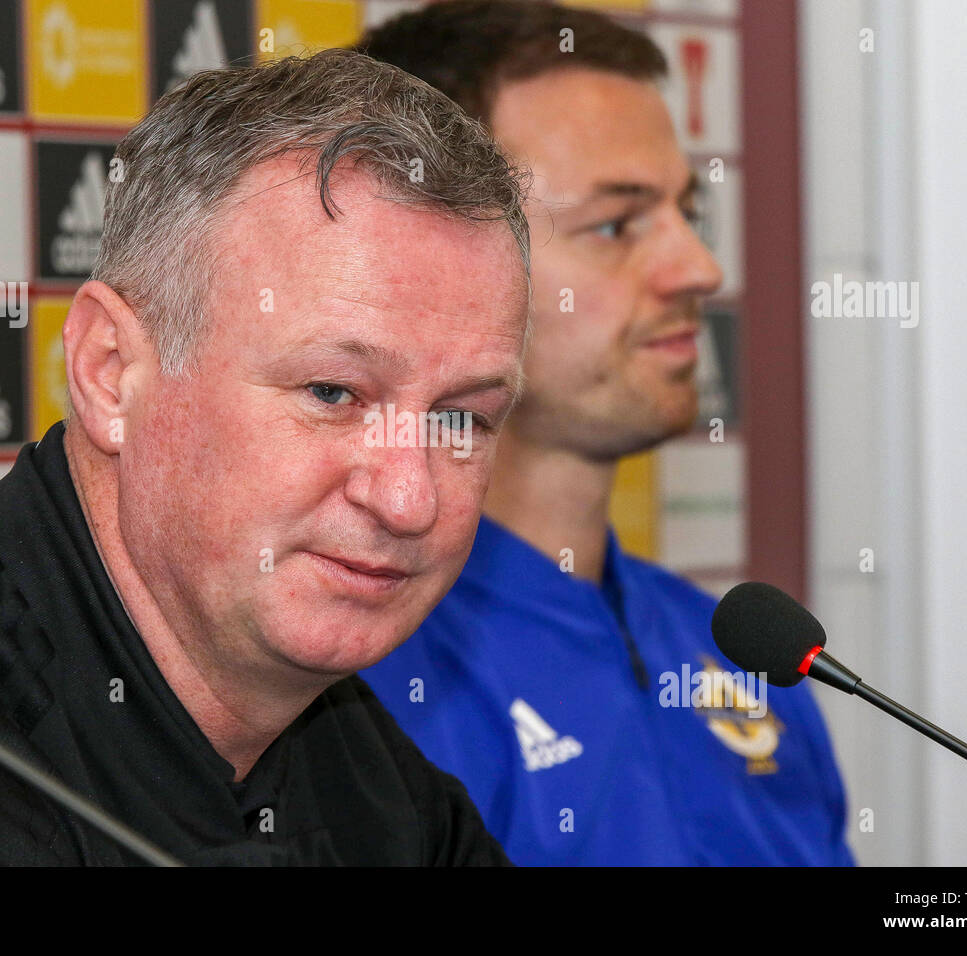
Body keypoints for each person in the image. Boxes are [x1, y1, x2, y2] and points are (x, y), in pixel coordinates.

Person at [0, 49, 531, 865]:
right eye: (333, 393)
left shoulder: (362, 766)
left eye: (461, 420)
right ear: (109, 374)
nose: (409, 498)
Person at [358, 0, 856, 865]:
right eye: (618, 224)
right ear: (431, 265)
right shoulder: (355, 684)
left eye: (684, 212)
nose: (701, 269)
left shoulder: (746, 657)